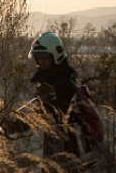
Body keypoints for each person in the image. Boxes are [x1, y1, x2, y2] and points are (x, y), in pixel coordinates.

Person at [27, 31, 81, 159]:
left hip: (62, 149)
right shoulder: (58, 79)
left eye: (45, 57)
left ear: (55, 56)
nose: (41, 62)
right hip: (59, 146)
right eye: (39, 58)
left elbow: (47, 113)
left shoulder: (61, 84)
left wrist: (13, 125)